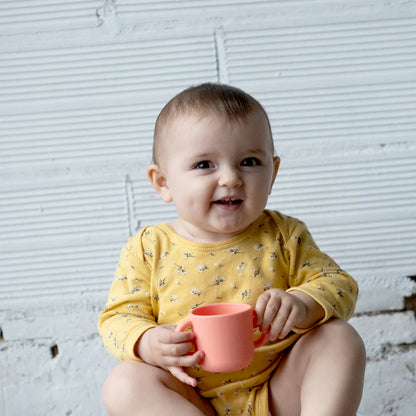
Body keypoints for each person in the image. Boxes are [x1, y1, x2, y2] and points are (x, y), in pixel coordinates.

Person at [98, 83, 366, 416]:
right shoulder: (150, 248)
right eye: (204, 165)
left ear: (273, 173)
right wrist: (148, 342)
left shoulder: (283, 235)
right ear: (163, 183)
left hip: (279, 393)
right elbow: (117, 319)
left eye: (250, 161)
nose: (231, 178)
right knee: (123, 383)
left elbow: (340, 284)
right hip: (192, 400)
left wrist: (303, 303)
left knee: (339, 338)